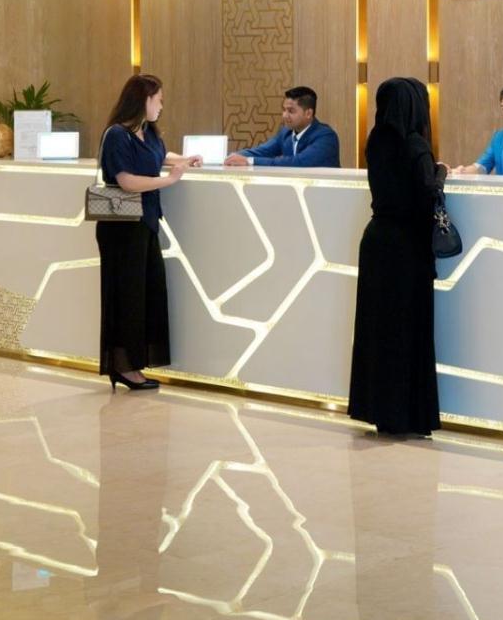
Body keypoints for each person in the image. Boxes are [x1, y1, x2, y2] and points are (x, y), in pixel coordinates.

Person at [348, 77, 449, 437]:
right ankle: (406, 415)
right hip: (407, 248)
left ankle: (379, 410)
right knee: (408, 332)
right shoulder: (415, 144)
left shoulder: (376, 140)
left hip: (377, 243)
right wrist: (441, 172)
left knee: (378, 331)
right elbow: (428, 193)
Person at [97, 73, 201, 392]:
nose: (161, 107)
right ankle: (124, 367)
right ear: (144, 100)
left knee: (145, 293)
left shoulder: (148, 132)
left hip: (145, 223)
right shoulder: (117, 135)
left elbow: (159, 155)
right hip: (121, 228)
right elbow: (126, 181)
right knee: (126, 296)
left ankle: (132, 363)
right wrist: (168, 180)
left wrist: (184, 160)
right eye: (159, 100)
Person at [222, 86, 341, 168]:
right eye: (284, 110)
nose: (285, 115)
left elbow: (298, 163)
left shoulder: (326, 137)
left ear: (308, 113)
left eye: (291, 111)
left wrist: (249, 161)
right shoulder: (286, 133)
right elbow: (262, 151)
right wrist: (231, 157)